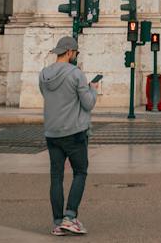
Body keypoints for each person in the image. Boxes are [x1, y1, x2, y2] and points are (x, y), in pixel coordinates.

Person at [40, 34, 99, 235]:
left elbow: (48, 96)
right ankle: (70, 217)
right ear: (69, 52)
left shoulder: (43, 74)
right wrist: (93, 89)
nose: (75, 55)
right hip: (74, 132)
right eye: (75, 52)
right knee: (80, 172)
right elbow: (88, 103)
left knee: (56, 176)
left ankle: (58, 222)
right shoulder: (76, 74)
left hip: (52, 132)